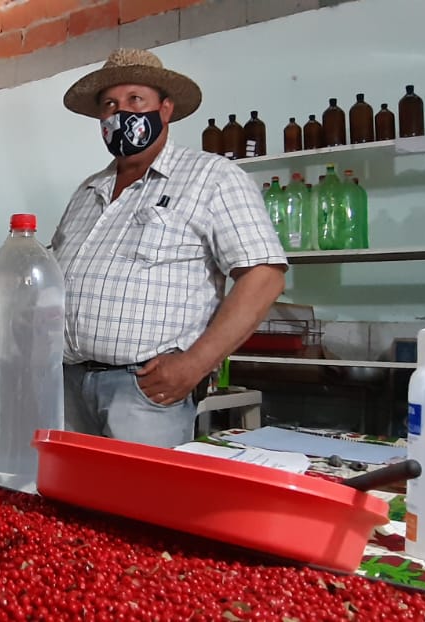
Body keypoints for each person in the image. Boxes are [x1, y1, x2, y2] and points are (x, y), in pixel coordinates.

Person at [52, 49, 287, 449]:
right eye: (110, 104)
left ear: (165, 108)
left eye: (135, 100)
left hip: (145, 391)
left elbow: (263, 276)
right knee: (72, 505)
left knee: (140, 507)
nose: (120, 113)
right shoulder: (87, 191)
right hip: (67, 384)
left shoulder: (212, 178)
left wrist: (195, 365)